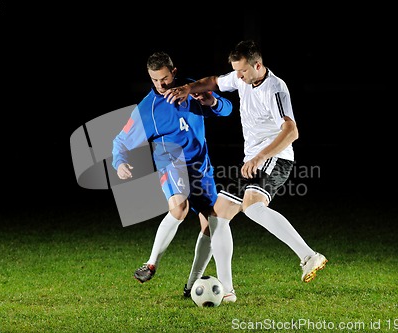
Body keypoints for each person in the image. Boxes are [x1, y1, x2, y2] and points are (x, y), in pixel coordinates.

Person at [164, 40, 328, 297]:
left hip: (276, 157)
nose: (238, 76)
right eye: (236, 71)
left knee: (253, 207)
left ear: (258, 65)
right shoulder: (242, 79)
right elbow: (215, 81)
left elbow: (291, 130)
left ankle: (308, 255)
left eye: (242, 71)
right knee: (217, 216)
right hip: (252, 161)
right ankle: (226, 290)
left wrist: (260, 157)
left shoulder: (275, 89)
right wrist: (188, 88)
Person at [111, 51, 238, 302]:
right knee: (180, 207)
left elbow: (228, 110)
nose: (161, 85)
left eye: (165, 78)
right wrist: (119, 163)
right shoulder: (148, 109)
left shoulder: (193, 89)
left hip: (200, 166)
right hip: (171, 162)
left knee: (212, 223)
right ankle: (151, 264)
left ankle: (192, 286)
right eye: (155, 80)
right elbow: (121, 142)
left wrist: (212, 102)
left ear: (174, 72)